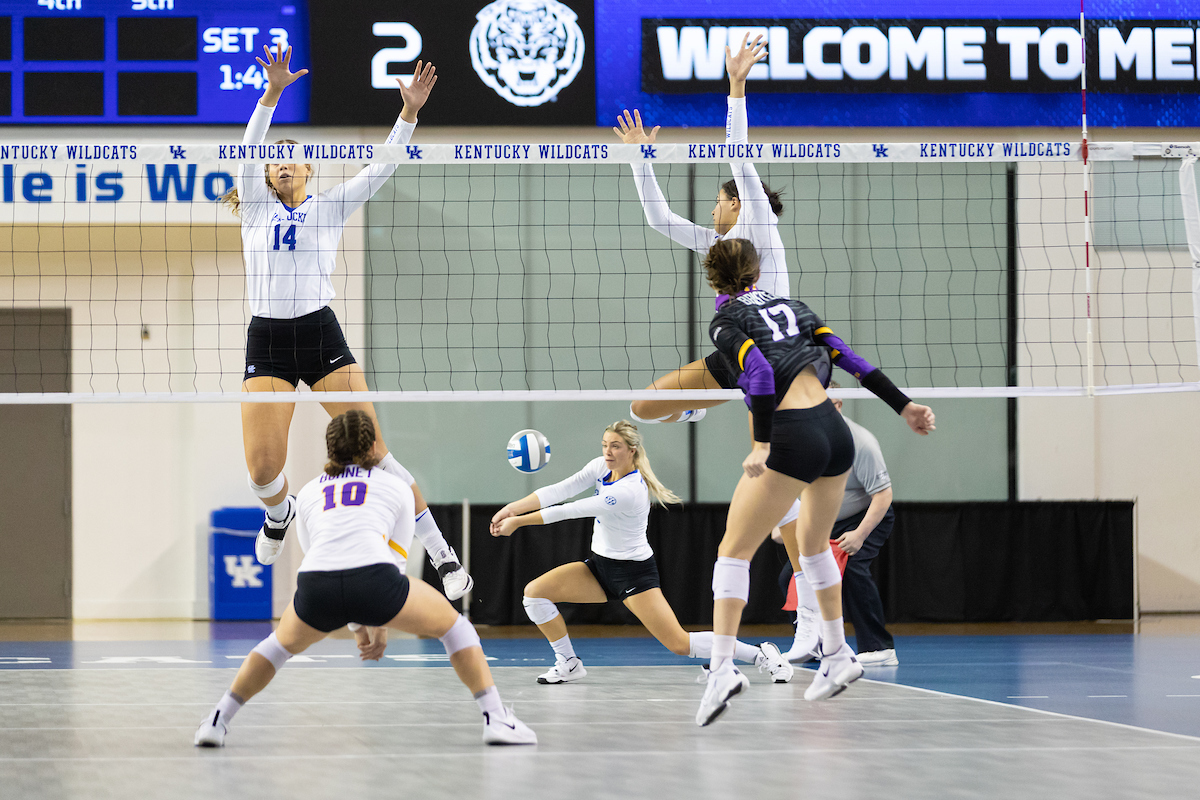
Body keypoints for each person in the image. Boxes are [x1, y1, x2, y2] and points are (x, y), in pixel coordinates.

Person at [222, 44, 469, 600]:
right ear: (264, 175)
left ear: (309, 169)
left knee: (375, 453)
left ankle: (443, 555)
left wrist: (409, 114)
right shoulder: (257, 212)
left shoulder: (329, 206)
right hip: (267, 337)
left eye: (294, 158)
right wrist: (273, 92)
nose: (283, 162)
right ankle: (280, 514)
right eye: (273, 161)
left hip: (319, 335)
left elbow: (383, 167)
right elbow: (248, 144)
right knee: (262, 473)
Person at [695, 237, 935, 726]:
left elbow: (759, 372)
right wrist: (904, 405)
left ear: (713, 281)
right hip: (834, 430)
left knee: (733, 551)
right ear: (756, 274)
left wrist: (762, 443)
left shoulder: (726, 321)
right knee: (812, 545)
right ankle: (838, 653)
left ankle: (721, 670)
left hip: (793, 434)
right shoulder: (794, 306)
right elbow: (851, 360)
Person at [194, 410, 536, 747]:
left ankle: (217, 720)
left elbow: (321, 557)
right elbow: (394, 564)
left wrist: (358, 628)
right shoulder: (397, 486)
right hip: (375, 579)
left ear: (330, 450)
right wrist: (378, 623)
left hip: (316, 584)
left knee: (276, 647)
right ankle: (496, 719)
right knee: (456, 628)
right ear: (373, 445)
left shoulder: (310, 491)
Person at [489, 421, 793, 685]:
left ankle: (760, 655)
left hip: (633, 573)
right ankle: (569, 663)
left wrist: (519, 522)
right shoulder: (600, 467)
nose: (608, 452)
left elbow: (572, 510)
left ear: (632, 450)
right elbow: (560, 490)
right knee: (535, 595)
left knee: (678, 643)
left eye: (616, 446)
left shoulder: (631, 490)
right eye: (605, 445)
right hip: (599, 567)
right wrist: (512, 508)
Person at [613, 34, 787, 427]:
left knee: (775, 449)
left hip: (773, 352)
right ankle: (695, 409)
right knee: (642, 409)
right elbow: (661, 219)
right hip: (732, 352)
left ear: (738, 202)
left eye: (718, 201)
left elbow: (737, 153)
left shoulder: (759, 220)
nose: (712, 210)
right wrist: (639, 161)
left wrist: (736, 85)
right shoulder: (718, 244)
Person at [779, 387, 899, 666]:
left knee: (853, 569)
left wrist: (859, 535)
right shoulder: (804, 439)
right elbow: (797, 484)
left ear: (838, 404)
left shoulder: (862, 442)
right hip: (824, 517)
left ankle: (879, 648)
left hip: (866, 515)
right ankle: (811, 644)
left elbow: (883, 496)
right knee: (791, 575)